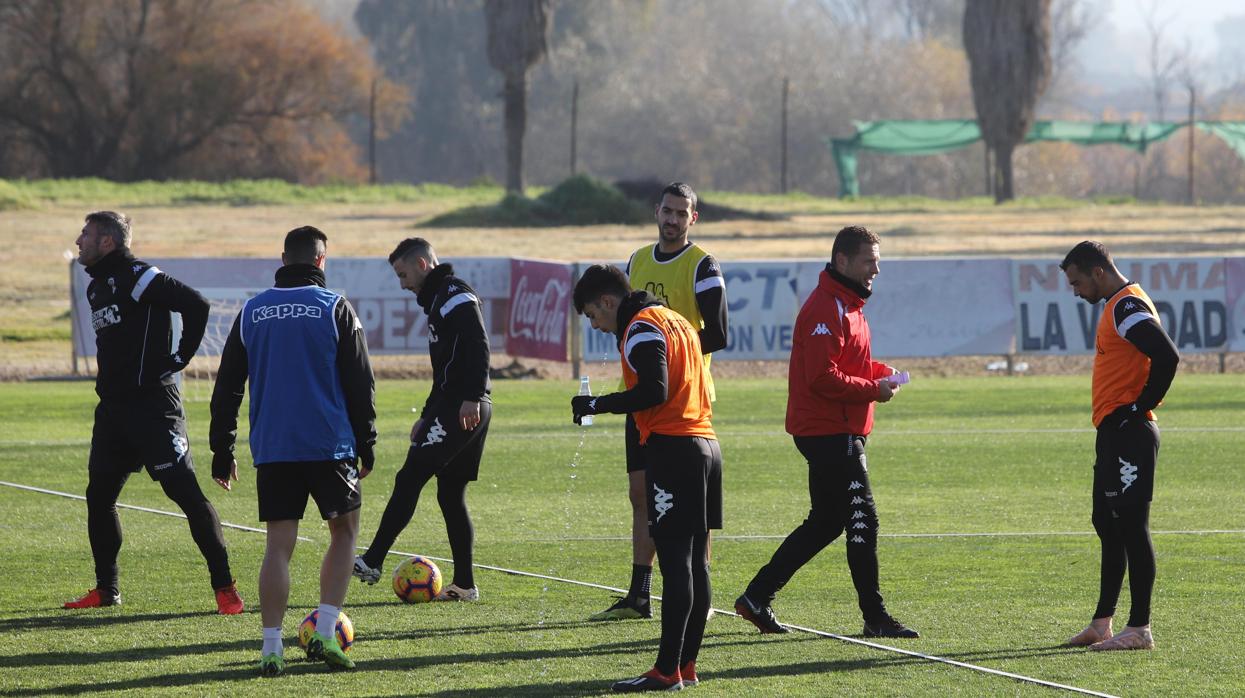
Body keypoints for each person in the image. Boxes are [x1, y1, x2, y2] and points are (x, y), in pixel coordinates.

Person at [734, 225, 918, 639]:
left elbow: (846, 365)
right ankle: (875, 617)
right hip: (829, 430)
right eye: (869, 261)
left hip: (836, 427)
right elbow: (821, 377)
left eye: (877, 261)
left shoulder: (849, 304)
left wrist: (879, 373)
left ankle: (757, 597)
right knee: (863, 518)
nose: (876, 269)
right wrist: (872, 390)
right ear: (842, 261)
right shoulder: (826, 307)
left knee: (826, 522)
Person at [209, 226, 377, 675]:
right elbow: (360, 382)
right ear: (322, 261)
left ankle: (271, 648)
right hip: (329, 444)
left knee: (278, 547)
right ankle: (326, 632)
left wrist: (222, 448)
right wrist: (368, 441)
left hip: (274, 446)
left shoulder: (252, 311)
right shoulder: (335, 307)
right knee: (344, 532)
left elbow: (227, 387)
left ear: (283, 259)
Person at [67, 210, 242, 615]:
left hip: (153, 409)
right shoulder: (96, 288)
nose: (78, 240)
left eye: (86, 234)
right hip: (113, 412)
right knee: (99, 497)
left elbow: (196, 304)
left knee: (186, 496)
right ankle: (107, 590)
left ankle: (225, 588)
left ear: (108, 241)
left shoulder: (139, 276)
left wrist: (181, 357)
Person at [572, 264, 722, 692]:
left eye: (593, 315)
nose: (596, 325)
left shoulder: (640, 327)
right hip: (706, 445)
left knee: (676, 566)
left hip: (675, 450)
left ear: (607, 301)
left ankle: (667, 670)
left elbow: (654, 389)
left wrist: (596, 404)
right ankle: (686, 665)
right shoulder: (676, 319)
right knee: (696, 564)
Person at [591, 181, 729, 623]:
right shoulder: (637, 260)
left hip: (683, 398)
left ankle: (700, 594)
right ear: (656, 211)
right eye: (667, 211)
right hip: (642, 398)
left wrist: (669, 354)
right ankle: (639, 594)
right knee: (640, 494)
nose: (672, 219)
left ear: (693, 218)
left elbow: (719, 333)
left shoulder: (702, 264)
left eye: (681, 213)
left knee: (693, 507)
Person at [351, 237, 491, 602]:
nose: (402, 284)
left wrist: (473, 396)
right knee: (450, 495)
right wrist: (428, 415)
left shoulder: (454, 295)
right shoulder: (440, 299)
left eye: (403, 275)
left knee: (410, 476)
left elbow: (478, 344)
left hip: (464, 407)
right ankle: (464, 586)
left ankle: (373, 560)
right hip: (455, 405)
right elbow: (444, 370)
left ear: (422, 265)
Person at [1059, 240, 1178, 652]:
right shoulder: (1117, 305)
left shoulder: (1126, 305)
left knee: (1131, 526)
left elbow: (1167, 355)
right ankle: (1102, 623)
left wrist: (1139, 407)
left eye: (1077, 282)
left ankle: (1140, 627)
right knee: (1106, 523)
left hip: (1131, 432)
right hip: (1114, 431)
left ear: (1098, 272)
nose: (1076, 291)